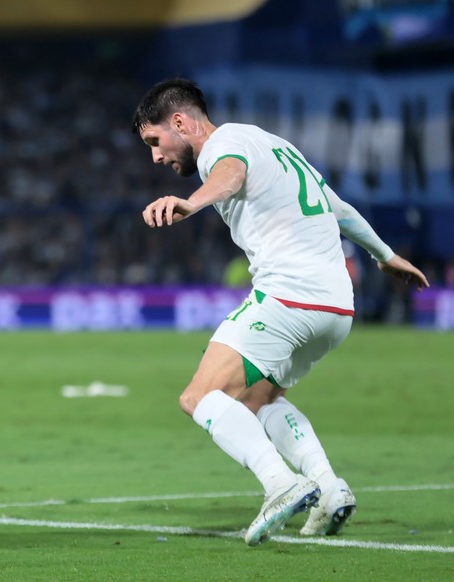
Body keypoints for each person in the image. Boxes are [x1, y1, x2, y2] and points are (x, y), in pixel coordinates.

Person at [132, 79, 429, 546]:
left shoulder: (222, 146)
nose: (155, 156)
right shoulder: (273, 144)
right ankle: (329, 490)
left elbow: (230, 175)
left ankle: (280, 483)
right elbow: (336, 207)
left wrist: (191, 202)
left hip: (290, 296)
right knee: (257, 401)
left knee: (199, 397)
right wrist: (383, 254)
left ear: (181, 123)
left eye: (155, 141)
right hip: (336, 307)